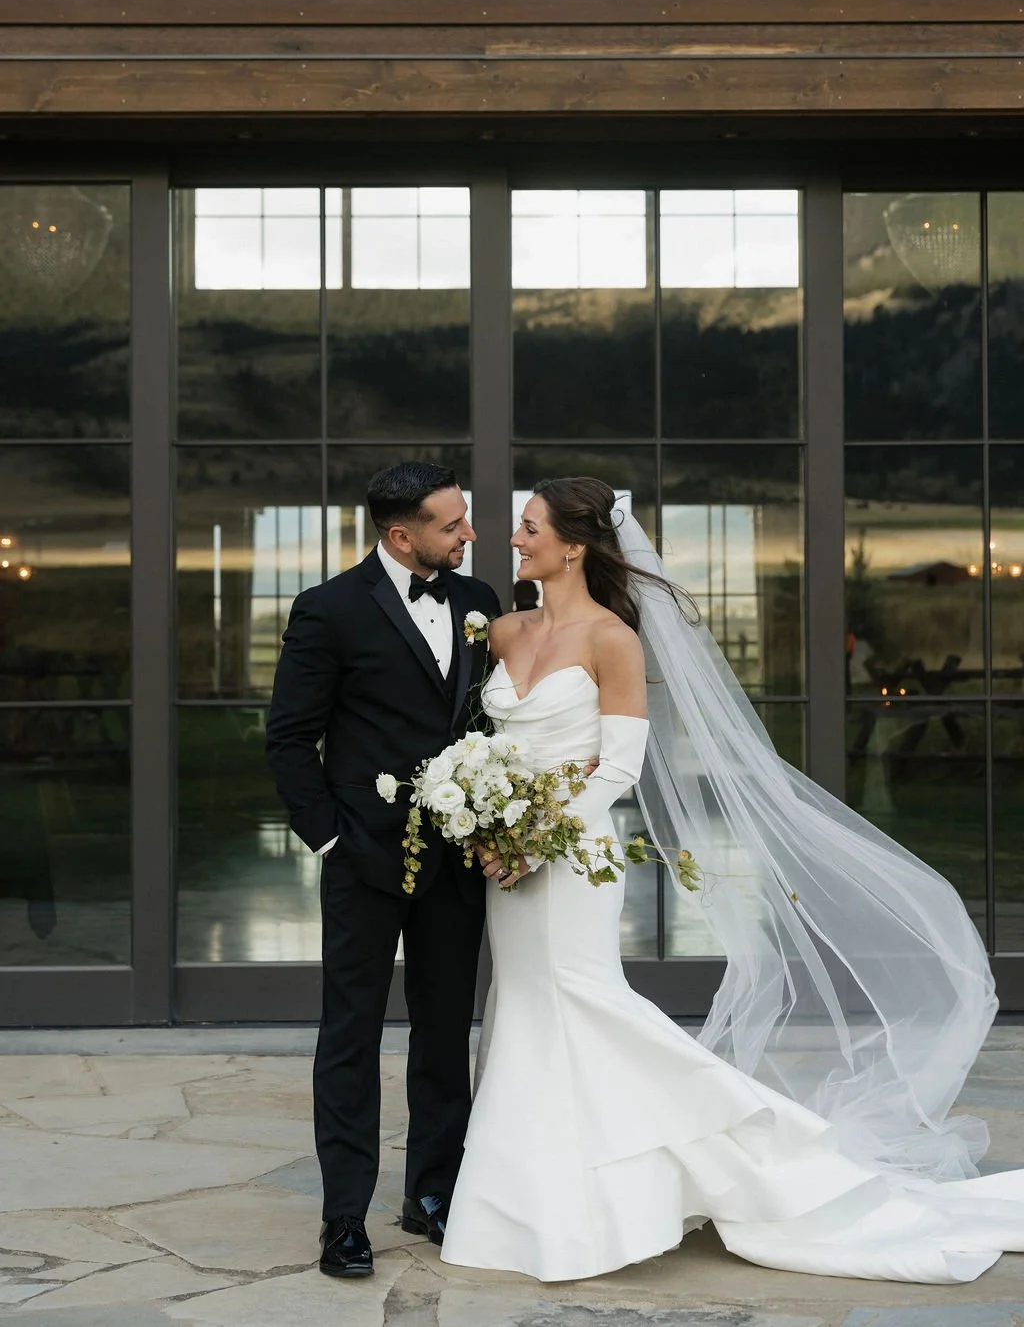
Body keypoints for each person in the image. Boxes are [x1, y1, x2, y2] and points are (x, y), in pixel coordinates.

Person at [440, 476, 1024, 1285]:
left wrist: (541, 838)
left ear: (573, 545)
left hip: (572, 859)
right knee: (527, 1010)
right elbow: (492, 746)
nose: (516, 538)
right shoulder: (503, 631)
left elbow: (619, 762)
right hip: (509, 858)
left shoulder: (614, 639)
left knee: (587, 1002)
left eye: (530, 526)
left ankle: (750, 1140)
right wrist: (487, 822)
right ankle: (542, 1205)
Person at [265, 462, 499, 1280]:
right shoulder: (327, 610)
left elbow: (489, 727)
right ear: (401, 535)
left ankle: (432, 1193)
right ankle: (343, 1219)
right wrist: (330, 842)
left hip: (458, 864)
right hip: (362, 859)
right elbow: (290, 739)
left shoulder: (479, 606)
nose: (470, 535)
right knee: (351, 1036)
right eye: (452, 524)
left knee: (444, 1035)